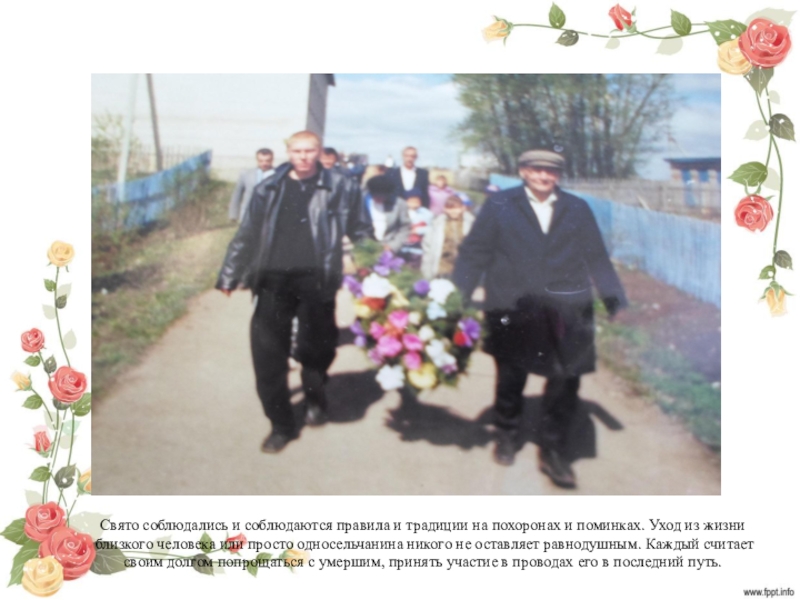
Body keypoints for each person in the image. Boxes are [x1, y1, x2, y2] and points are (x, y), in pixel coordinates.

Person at [453, 149, 627, 488]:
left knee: (566, 380)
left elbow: (596, 255)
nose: (544, 177)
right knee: (511, 375)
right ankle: (506, 434)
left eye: (552, 171)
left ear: (559, 175)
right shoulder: (500, 204)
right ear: (523, 171)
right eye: (537, 170)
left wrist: (614, 300)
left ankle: (554, 451)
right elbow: (475, 252)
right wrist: (457, 296)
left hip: (566, 308)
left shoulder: (577, 208)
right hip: (512, 305)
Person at [216, 131, 374, 453]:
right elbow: (247, 233)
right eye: (297, 151)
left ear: (319, 152)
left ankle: (315, 396)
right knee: (267, 355)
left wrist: (376, 267)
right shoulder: (268, 188)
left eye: (309, 151)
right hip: (273, 281)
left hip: (317, 281)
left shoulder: (341, 187)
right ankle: (281, 425)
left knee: (318, 348)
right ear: (288, 152)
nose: (303, 157)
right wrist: (229, 273)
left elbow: (361, 230)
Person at [421, 194, 475, 280]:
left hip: (460, 265)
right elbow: (427, 246)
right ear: (445, 209)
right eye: (450, 208)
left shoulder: (470, 223)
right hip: (442, 264)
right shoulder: (437, 224)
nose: (453, 211)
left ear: (462, 208)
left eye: (456, 208)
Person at [364, 175, 411, 254]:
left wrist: (393, 246)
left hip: (389, 247)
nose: (378, 198)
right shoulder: (363, 202)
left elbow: (405, 227)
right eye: (375, 195)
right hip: (366, 248)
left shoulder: (399, 204)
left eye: (382, 196)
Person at [228, 148, 274, 222]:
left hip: (269, 215)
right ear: (257, 160)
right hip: (248, 214)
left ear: (272, 160)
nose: (264, 163)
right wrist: (233, 214)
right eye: (261, 161)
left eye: (267, 161)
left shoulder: (278, 175)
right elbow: (237, 194)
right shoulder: (246, 174)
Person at [400, 189, 433, 269]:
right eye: (412, 200)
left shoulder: (427, 213)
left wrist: (418, 230)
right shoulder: (401, 211)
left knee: (414, 269)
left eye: (417, 200)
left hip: (418, 248)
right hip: (401, 247)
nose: (415, 203)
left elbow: (432, 229)